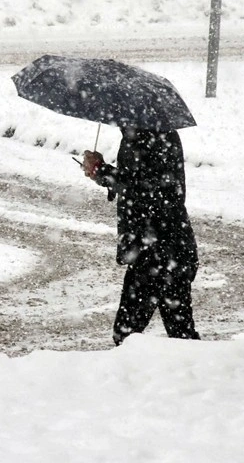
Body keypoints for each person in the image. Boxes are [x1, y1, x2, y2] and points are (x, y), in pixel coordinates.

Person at [81, 127, 201, 345]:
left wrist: (103, 172)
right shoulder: (140, 134)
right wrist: (103, 173)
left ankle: (142, 377)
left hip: (157, 251)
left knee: (128, 335)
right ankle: (193, 375)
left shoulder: (151, 136)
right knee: (181, 335)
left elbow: (149, 190)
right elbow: (138, 182)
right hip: (163, 248)